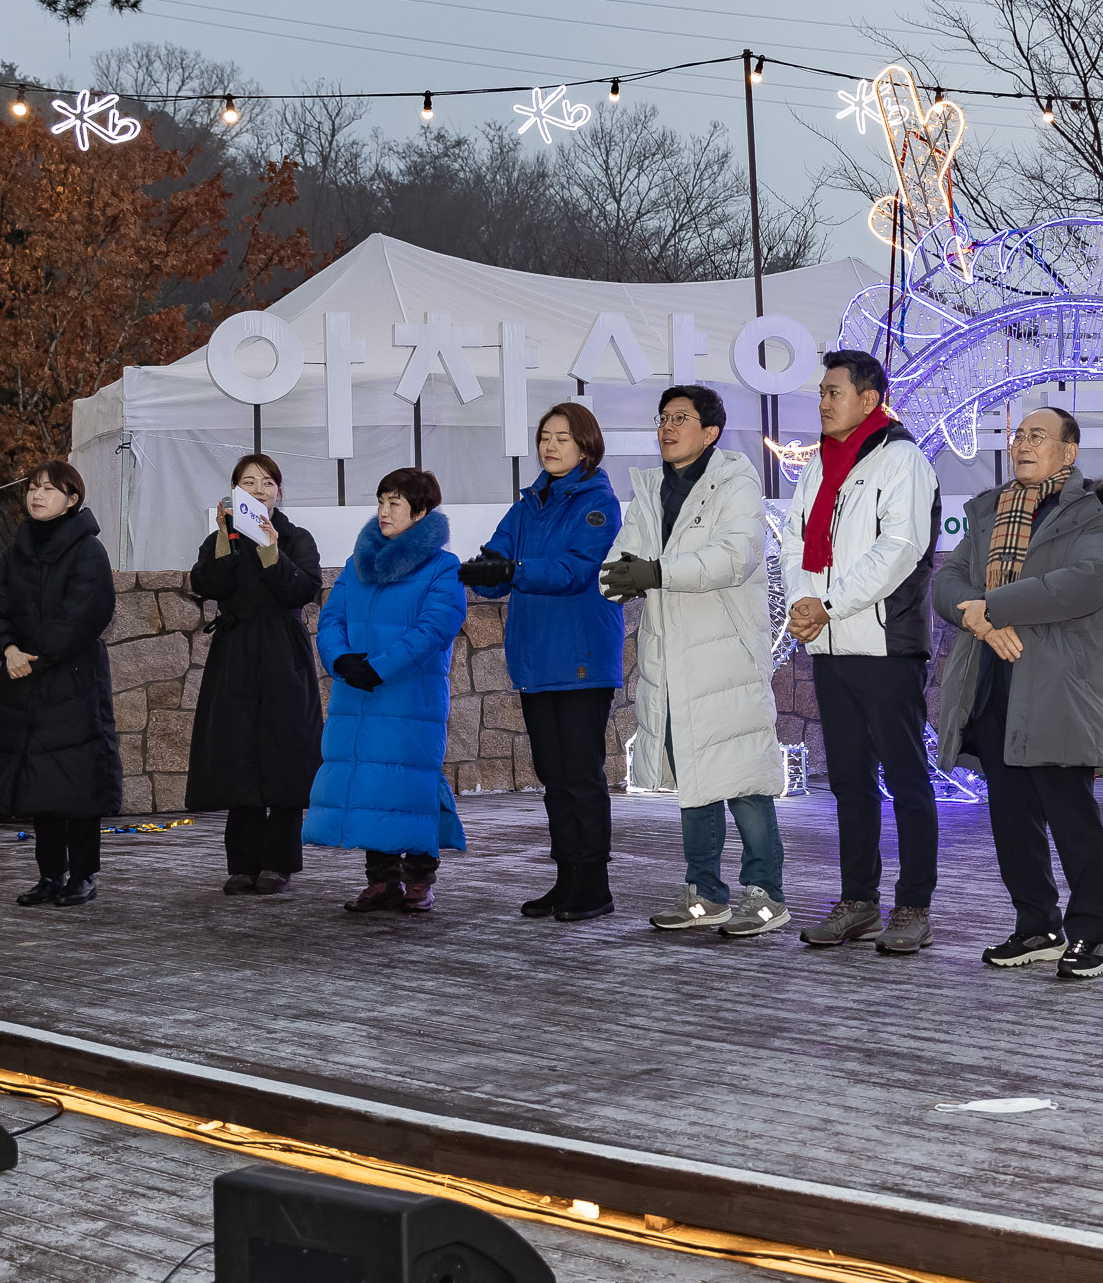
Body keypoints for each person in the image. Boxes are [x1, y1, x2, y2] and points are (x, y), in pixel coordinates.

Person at [932, 408, 1103, 980]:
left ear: (1068, 453)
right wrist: (984, 624)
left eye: (1037, 437)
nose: (1022, 444)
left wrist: (993, 605)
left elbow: (1084, 584)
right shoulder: (989, 511)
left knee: (1070, 814)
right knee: (1011, 814)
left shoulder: (1096, 515)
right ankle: (1037, 925)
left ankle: (1093, 933)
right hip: (991, 681)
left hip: (1059, 685)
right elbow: (949, 582)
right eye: (1018, 436)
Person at [600, 385, 789, 937]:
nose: (667, 427)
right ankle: (705, 893)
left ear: (710, 432)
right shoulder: (650, 488)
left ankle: (766, 893)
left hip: (726, 656)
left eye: (680, 418)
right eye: (662, 418)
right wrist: (619, 579)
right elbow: (620, 561)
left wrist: (655, 573)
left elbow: (736, 557)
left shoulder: (737, 480)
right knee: (694, 780)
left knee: (745, 777)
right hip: (672, 656)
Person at [782, 349, 941, 955]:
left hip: (885, 644)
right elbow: (798, 542)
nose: (823, 402)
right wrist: (804, 603)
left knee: (906, 778)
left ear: (870, 399)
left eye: (834, 392)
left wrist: (830, 602)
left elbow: (899, 550)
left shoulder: (902, 460)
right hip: (831, 643)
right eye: (820, 392)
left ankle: (914, 906)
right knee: (848, 779)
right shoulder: (818, 467)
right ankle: (858, 902)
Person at [456, 404, 624, 922]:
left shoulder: (598, 503)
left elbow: (575, 570)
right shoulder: (528, 505)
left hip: (579, 661)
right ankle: (566, 877)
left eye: (563, 438)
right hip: (535, 662)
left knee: (581, 776)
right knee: (553, 777)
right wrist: (474, 571)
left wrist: (514, 567)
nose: (551, 447)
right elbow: (497, 566)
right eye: (545, 438)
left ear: (586, 446)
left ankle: (594, 885)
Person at [304, 467, 467, 913]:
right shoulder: (360, 565)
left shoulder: (443, 567)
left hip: (408, 698)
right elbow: (330, 616)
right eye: (381, 501)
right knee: (370, 786)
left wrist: (379, 668)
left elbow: (434, 628)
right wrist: (340, 660)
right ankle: (381, 880)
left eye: (395, 503)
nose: (384, 512)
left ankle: (418, 879)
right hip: (357, 693)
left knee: (409, 786)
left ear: (421, 511)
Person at [0, 460, 120, 910]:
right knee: (39, 783)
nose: (37, 496)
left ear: (72, 499)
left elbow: (82, 615)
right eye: (33, 488)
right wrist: (7, 649)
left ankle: (82, 875)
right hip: (23, 683)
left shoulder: (88, 551)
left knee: (77, 782)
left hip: (73, 681)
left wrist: (29, 657)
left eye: (49, 489)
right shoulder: (15, 551)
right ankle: (48, 875)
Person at [186, 453, 324, 895]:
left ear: (279, 492)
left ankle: (279, 864)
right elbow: (208, 585)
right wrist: (227, 542)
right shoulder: (219, 539)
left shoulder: (296, 537)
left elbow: (303, 589)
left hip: (284, 653)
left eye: (268, 482)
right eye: (249, 482)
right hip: (236, 654)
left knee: (284, 753)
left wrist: (270, 551)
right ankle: (241, 864)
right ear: (233, 491)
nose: (259, 489)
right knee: (237, 752)